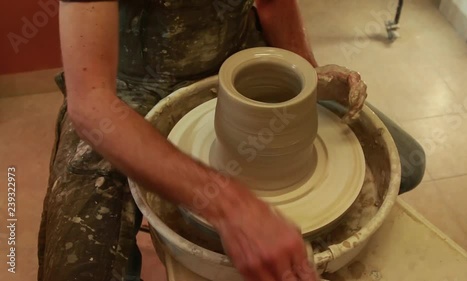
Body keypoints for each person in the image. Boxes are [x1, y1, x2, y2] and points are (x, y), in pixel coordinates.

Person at [37, 0, 425, 281]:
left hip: (237, 63)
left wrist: (308, 74)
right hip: (127, 92)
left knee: (405, 163)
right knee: (79, 269)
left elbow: (274, 4)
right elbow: (90, 102)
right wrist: (228, 204)